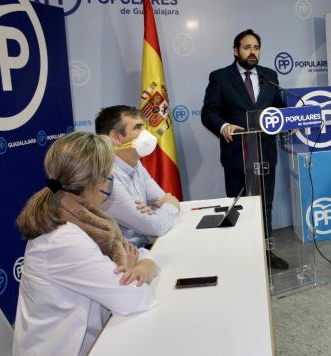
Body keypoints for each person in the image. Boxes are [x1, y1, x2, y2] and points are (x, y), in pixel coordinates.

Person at [13, 132, 159, 356]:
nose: (111, 180)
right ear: (95, 182)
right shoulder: (63, 239)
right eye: (107, 174)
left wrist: (143, 266)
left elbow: (138, 255)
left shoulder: (86, 219)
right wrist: (141, 269)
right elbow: (135, 299)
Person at [201, 29, 288, 270]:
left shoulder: (269, 76)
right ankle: (240, 253)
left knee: (265, 204)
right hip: (236, 153)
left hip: (264, 151)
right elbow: (209, 113)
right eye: (247, 47)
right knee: (238, 205)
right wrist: (224, 125)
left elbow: (278, 109)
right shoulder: (220, 77)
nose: (253, 52)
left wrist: (289, 121)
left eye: (256, 47)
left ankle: (266, 251)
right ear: (236, 51)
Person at [95, 105, 180, 248]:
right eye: (138, 128)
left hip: (147, 248)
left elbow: (162, 200)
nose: (145, 133)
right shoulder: (106, 178)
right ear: (116, 137)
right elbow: (157, 225)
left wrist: (156, 210)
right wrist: (167, 206)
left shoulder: (136, 164)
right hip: (124, 260)